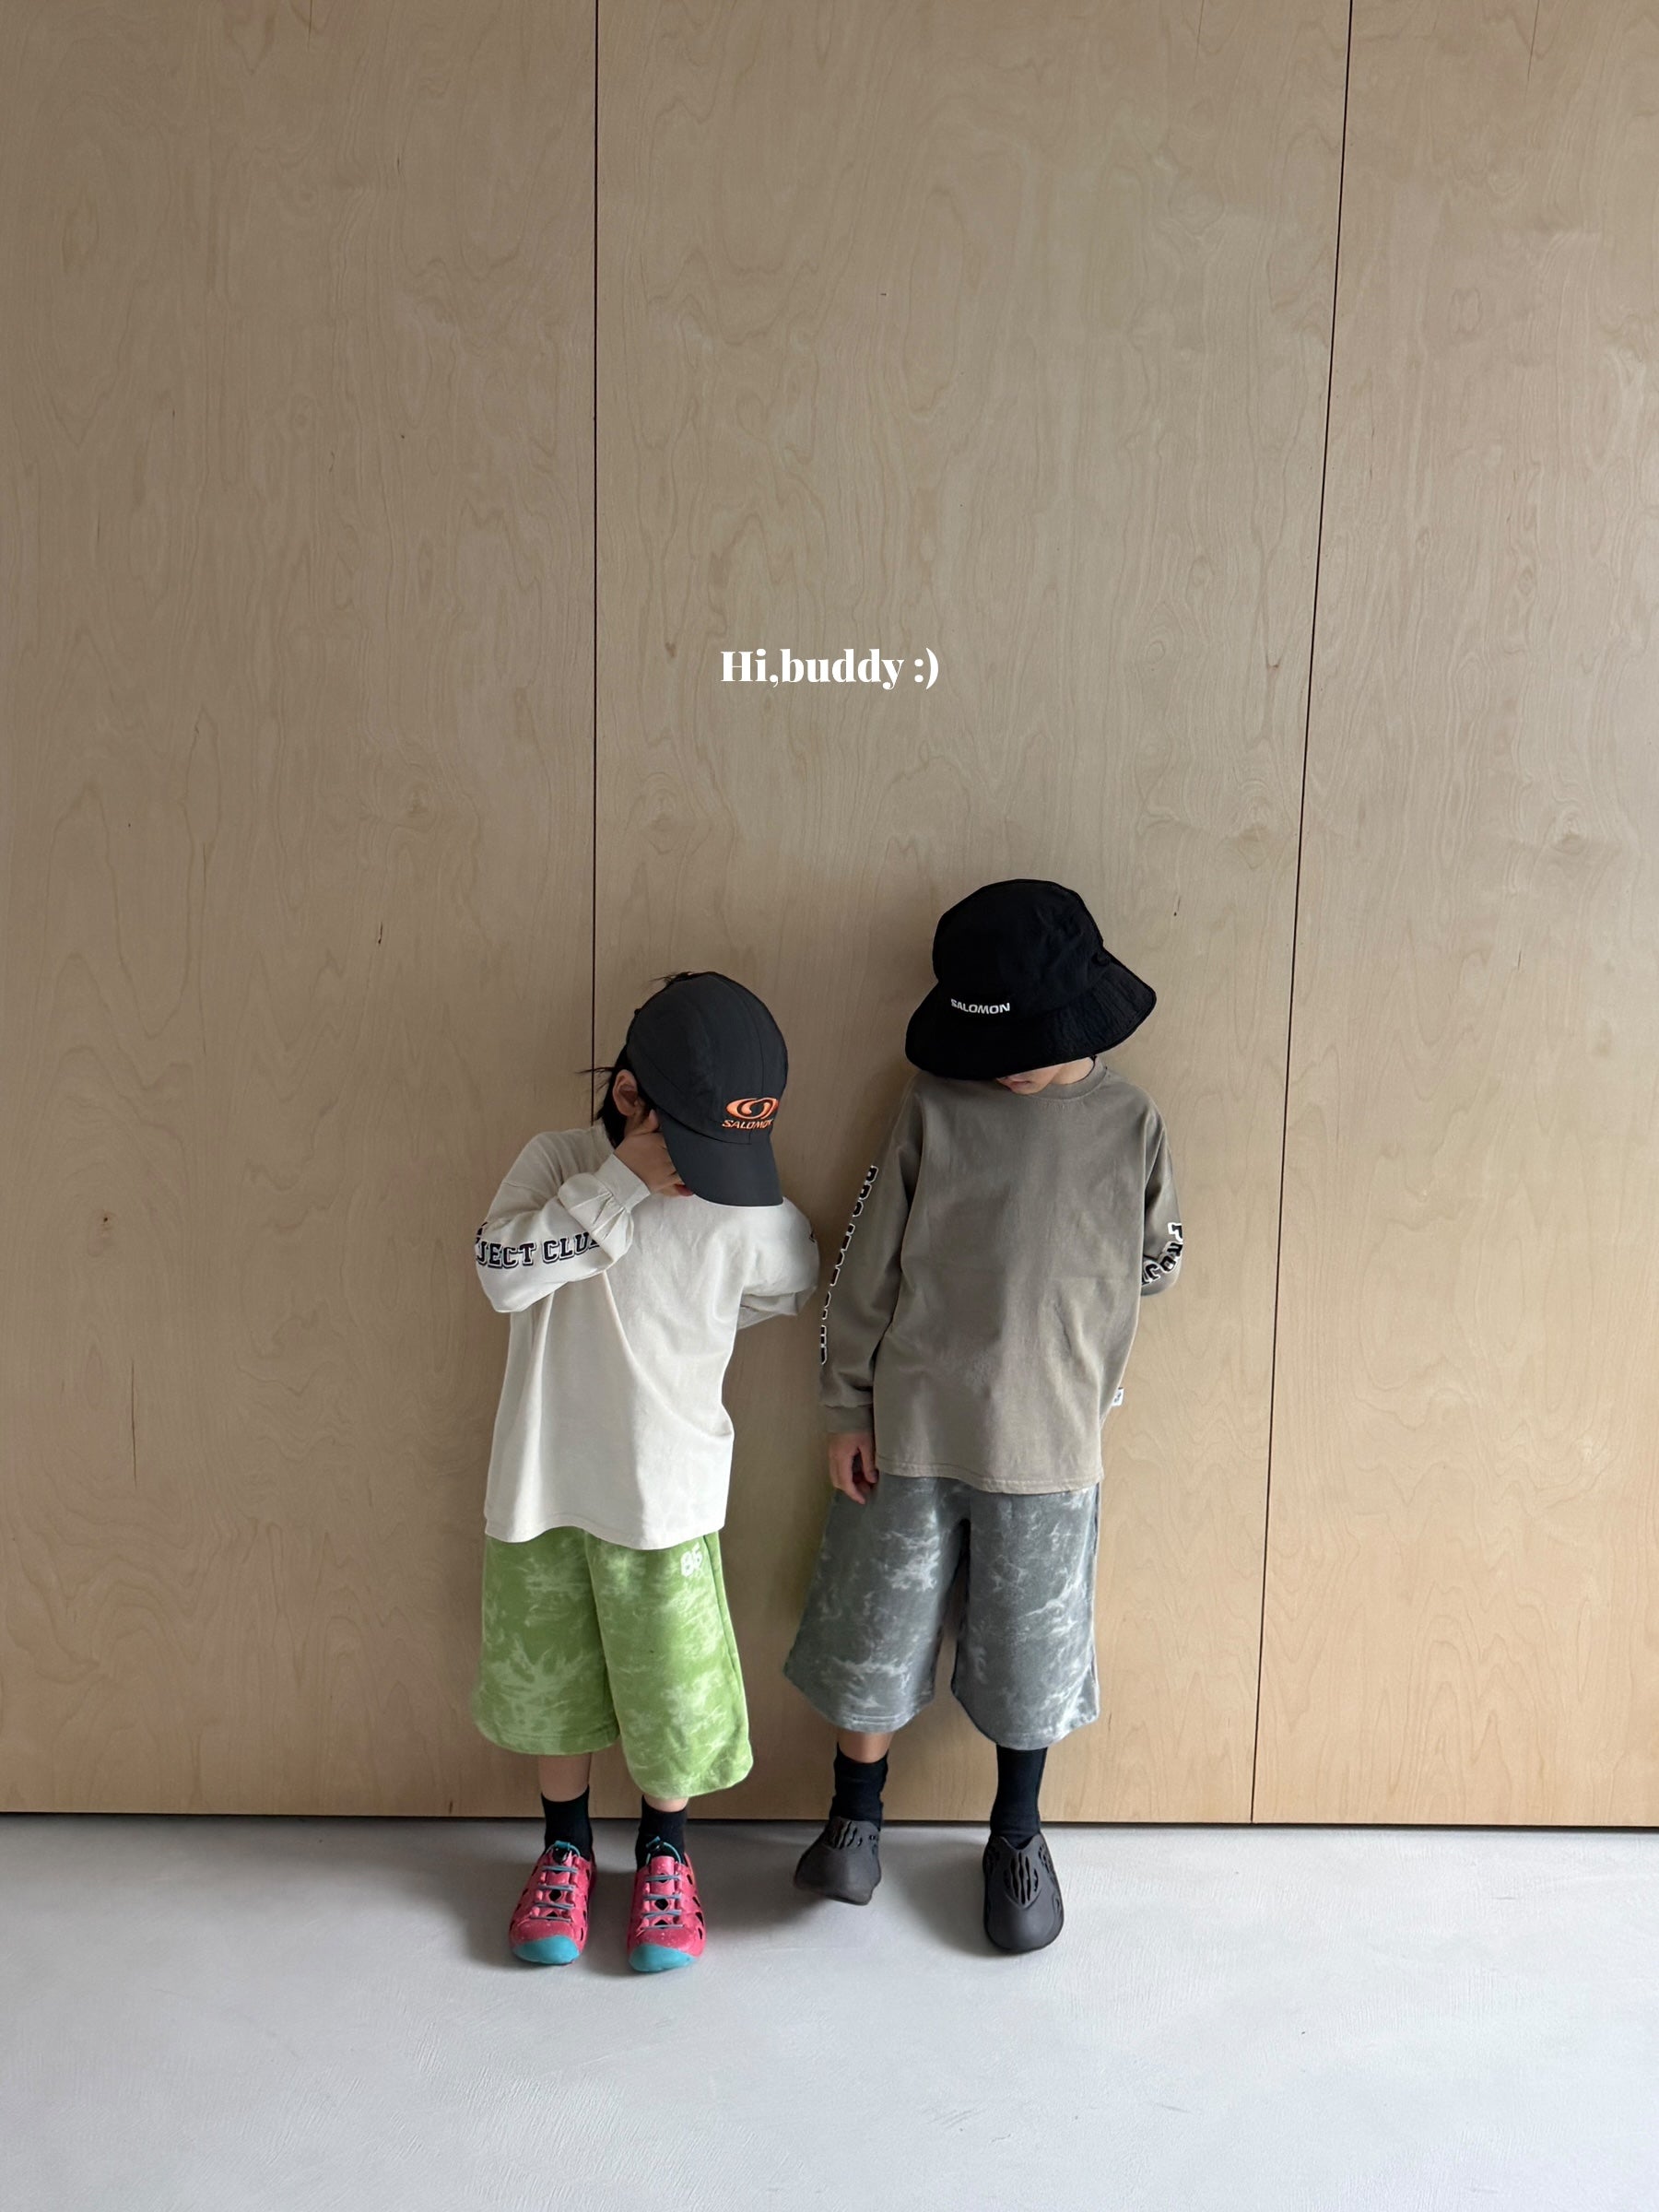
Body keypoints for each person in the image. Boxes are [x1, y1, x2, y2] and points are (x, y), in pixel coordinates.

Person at [784, 880, 1182, 1953]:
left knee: (1031, 1650)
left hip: (1051, 1443)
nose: (1007, 1065)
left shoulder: (1130, 1123)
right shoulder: (933, 1106)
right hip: (911, 1429)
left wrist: (1086, 1332)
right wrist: (846, 1403)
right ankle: (854, 1819)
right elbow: (867, 1263)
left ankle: (1016, 1835)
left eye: (1028, 1043)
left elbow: (1157, 1256)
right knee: (874, 1626)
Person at [472, 971, 818, 1972]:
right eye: (695, 1147)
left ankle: (667, 1851)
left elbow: (793, 1275)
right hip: (544, 1485)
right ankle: (566, 1848)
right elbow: (501, 1273)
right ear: (630, 1096)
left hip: (667, 1494)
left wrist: (713, 1306)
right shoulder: (560, 1162)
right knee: (554, 1685)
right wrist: (621, 1184)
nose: (711, 1173)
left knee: (673, 1690)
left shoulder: (738, 1198)